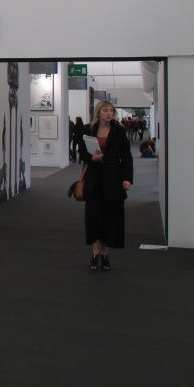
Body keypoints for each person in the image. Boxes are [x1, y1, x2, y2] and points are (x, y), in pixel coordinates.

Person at [78, 100, 132, 272]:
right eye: (105, 110)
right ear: (98, 112)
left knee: (110, 217)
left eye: (111, 110)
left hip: (113, 180)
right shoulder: (88, 129)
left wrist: (127, 178)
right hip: (94, 179)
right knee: (94, 217)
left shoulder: (118, 130)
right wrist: (91, 158)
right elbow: (82, 152)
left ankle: (105, 252)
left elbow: (126, 157)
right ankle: (95, 252)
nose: (109, 113)